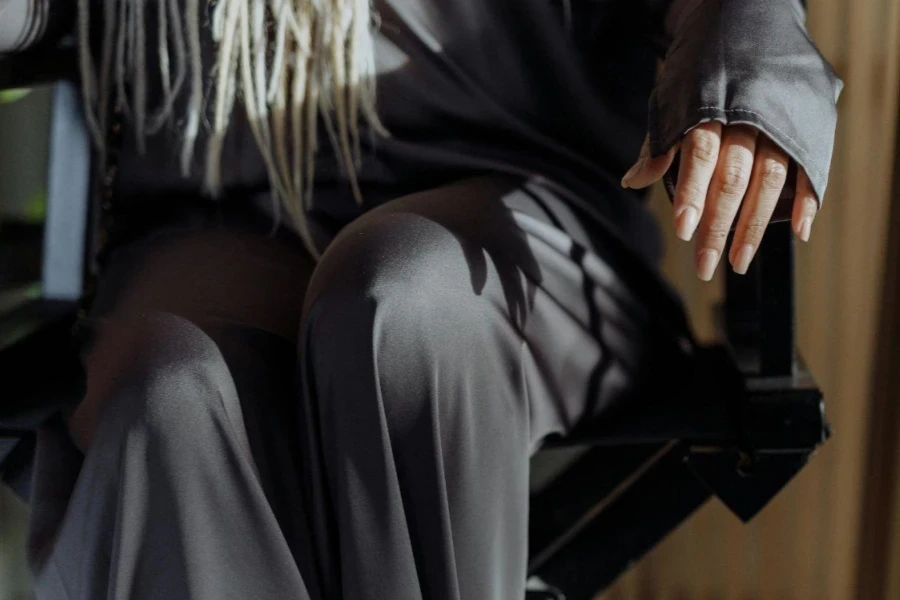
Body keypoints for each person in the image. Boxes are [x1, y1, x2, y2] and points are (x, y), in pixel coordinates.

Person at [1, 0, 842, 598]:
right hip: (223, 215)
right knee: (163, 395)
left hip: (520, 202)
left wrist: (752, 59)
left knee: (397, 304)